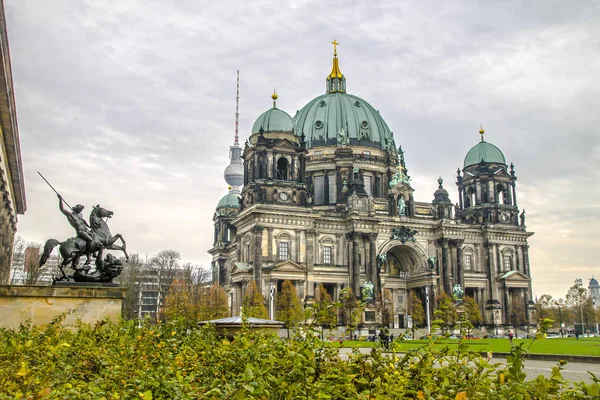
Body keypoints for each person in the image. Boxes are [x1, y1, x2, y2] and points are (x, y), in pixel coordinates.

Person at [58, 194, 93, 265]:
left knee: (95, 237)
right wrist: (60, 200)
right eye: (80, 209)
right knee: (90, 240)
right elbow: (62, 209)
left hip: (86, 230)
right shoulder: (70, 215)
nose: (81, 210)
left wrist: (89, 227)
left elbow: (84, 221)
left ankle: (94, 253)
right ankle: (88, 256)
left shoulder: (80, 215)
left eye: (81, 210)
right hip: (80, 231)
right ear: (76, 209)